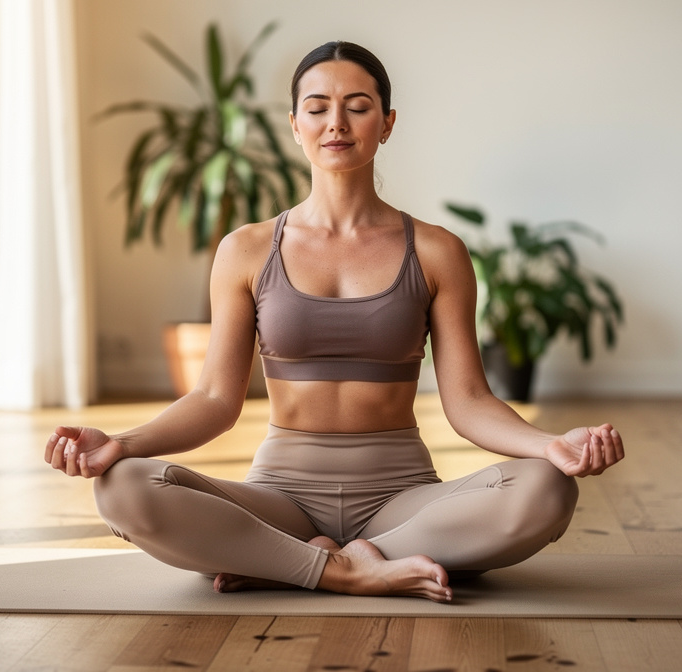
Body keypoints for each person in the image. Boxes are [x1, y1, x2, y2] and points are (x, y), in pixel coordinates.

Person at [45, 40, 624, 602]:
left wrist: (552, 445)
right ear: (295, 125)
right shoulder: (246, 250)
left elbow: (469, 400)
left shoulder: (437, 250)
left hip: (402, 502)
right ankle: (350, 572)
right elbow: (216, 399)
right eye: (318, 108)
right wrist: (118, 445)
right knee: (122, 487)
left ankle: (290, 564)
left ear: (388, 123)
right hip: (280, 500)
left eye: (358, 107)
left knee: (547, 488)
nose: (336, 124)